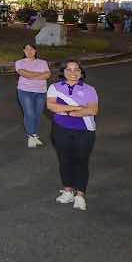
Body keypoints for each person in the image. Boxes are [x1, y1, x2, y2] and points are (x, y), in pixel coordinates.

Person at [45, 60, 99, 211]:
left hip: (85, 130)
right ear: (63, 72)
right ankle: (67, 190)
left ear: (81, 72)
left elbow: (93, 110)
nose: (73, 72)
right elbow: (51, 106)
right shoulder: (54, 87)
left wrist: (65, 111)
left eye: (76, 69)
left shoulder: (89, 89)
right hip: (61, 129)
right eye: (69, 69)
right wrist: (76, 108)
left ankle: (80, 195)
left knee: (81, 161)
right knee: (65, 160)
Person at [15, 43, 51, 147]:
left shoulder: (43, 62)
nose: (29, 51)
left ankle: (34, 134)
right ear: (24, 51)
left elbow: (47, 75)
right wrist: (40, 74)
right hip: (25, 91)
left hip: (41, 92)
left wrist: (31, 75)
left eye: (31, 49)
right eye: (27, 49)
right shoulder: (19, 62)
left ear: (35, 51)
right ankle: (31, 136)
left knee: (37, 114)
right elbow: (24, 74)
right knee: (29, 113)